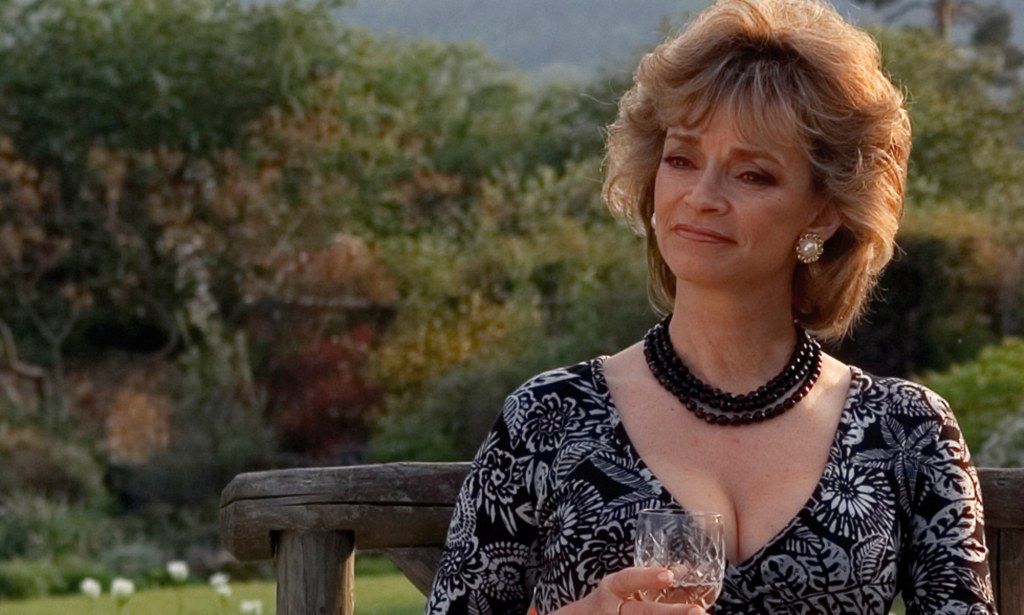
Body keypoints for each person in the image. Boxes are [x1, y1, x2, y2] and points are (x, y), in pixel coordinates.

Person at [424, 0, 997, 612]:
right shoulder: (548, 419)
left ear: (825, 211)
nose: (700, 196)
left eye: (752, 174)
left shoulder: (907, 432)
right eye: (681, 160)